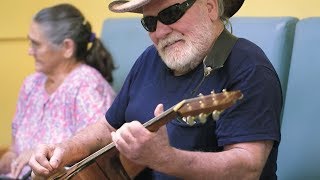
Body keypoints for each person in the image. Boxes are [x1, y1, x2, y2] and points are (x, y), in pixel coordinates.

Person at [29, 0, 283, 179]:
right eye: (149, 22)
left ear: (210, 6)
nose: (160, 31)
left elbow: (248, 168)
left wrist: (166, 159)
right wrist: (64, 149)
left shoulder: (249, 67)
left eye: (172, 13)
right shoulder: (150, 59)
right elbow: (109, 127)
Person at [0, 3, 116, 179]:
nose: (29, 51)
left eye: (36, 44)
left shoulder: (87, 87)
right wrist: (10, 157)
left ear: (67, 47)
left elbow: (97, 160)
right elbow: (15, 148)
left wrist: (41, 158)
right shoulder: (31, 84)